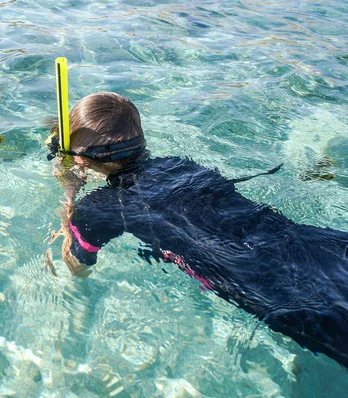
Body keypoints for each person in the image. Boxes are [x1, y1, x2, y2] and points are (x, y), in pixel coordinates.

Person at [47, 91, 348, 368]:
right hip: (306, 242)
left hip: (263, 286)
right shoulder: (178, 165)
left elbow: (76, 265)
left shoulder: (102, 207)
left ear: (81, 158)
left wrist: (69, 196)